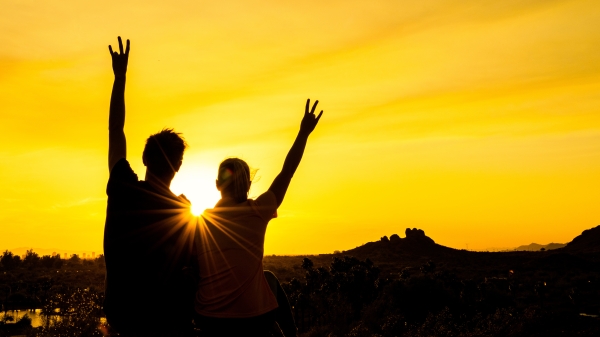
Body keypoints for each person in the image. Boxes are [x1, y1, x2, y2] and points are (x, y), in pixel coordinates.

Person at [194, 99, 323, 336]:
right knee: (269, 280)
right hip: (252, 319)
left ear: (216, 186)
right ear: (249, 185)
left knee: (268, 277)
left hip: (209, 320)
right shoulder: (258, 211)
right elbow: (287, 172)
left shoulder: (200, 222)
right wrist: (303, 133)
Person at [103, 37, 196, 336]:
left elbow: (115, 130)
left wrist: (120, 79)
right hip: (167, 321)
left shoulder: (123, 186)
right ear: (179, 166)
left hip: (123, 316)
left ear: (144, 157)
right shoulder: (183, 211)